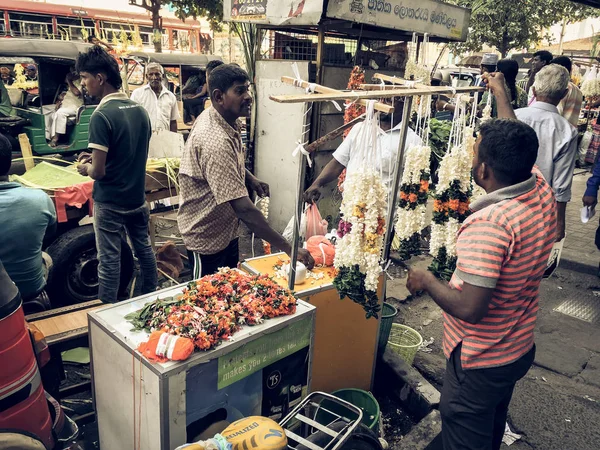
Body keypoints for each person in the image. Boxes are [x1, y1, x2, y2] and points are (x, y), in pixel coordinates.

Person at [407, 77, 556, 448]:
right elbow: (515, 136)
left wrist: (425, 280)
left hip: (480, 360)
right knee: (490, 426)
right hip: (516, 348)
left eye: (475, 154)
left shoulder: (491, 224)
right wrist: (501, 95)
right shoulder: (539, 187)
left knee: (465, 434)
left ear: (484, 171)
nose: (472, 158)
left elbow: (470, 307)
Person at [178, 64, 314, 278]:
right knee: (206, 301)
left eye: (248, 89)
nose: (249, 96)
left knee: (230, 291)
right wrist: (289, 248)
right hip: (205, 238)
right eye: (240, 91)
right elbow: (245, 210)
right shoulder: (214, 140)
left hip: (226, 231)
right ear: (218, 96)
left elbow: (232, 161)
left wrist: (249, 178)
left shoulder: (228, 121)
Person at [75, 45, 157, 303]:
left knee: (109, 261)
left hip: (110, 203)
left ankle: (107, 314)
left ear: (100, 79)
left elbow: (98, 172)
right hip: (137, 200)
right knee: (145, 252)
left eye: (85, 78)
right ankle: (150, 299)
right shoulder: (140, 111)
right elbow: (129, 152)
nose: (83, 84)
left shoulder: (101, 115)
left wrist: (84, 167)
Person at [303, 96, 422, 203]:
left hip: (382, 218)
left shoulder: (412, 141)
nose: (382, 103)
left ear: (405, 105)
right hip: (350, 210)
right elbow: (338, 162)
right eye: (381, 99)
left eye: (389, 100)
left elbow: (415, 185)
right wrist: (317, 183)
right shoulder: (359, 128)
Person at [513, 64, 577, 242]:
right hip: (539, 208)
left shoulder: (514, 116)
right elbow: (561, 184)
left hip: (506, 201)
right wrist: (560, 222)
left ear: (533, 90)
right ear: (564, 95)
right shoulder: (567, 131)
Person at [0, 133, 56, 311]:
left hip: (5, 298)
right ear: (9, 162)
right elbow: (49, 235)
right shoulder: (40, 198)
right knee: (45, 256)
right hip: (31, 288)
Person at [130, 62, 179, 133]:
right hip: (144, 138)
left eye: (157, 74)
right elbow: (132, 118)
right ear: (147, 77)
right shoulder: (138, 94)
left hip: (164, 138)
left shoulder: (170, 96)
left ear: (162, 76)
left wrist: (174, 141)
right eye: (151, 74)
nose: (154, 77)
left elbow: (173, 121)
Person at [49, 70, 84, 147]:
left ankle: (55, 139)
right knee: (45, 109)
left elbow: (76, 93)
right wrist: (59, 101)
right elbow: (65, 95)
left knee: (60, 113)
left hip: (74, 106)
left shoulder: (81, 81)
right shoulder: (70, 83)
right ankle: (47, 136)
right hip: (65, 104)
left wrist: (69, 81)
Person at [551, 56, 583, 128]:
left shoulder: (560, 87)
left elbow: (558, 111)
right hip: (570, 130)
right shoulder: (577, 90)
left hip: (558, 129)